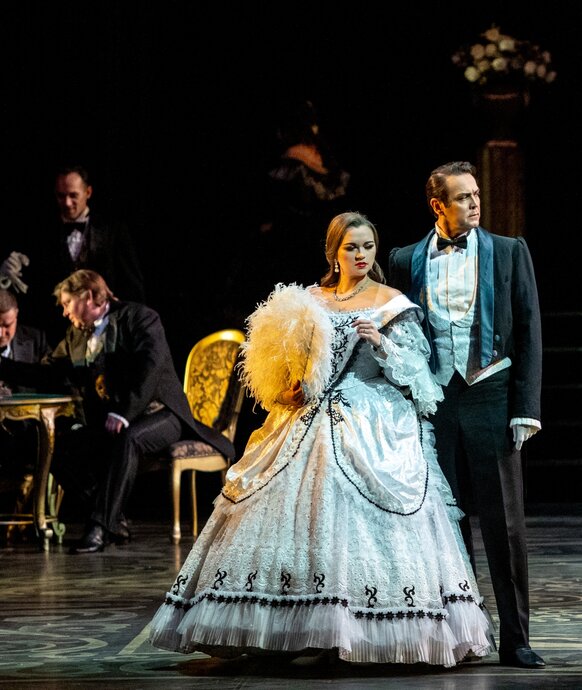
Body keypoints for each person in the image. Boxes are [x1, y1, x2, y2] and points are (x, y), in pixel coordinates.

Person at [148, 211, 492, 667]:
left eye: (368, 246)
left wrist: (382, 344)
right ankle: (291, 627)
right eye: (352, 247)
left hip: (370, 416)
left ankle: (356, 627)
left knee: (343, 479)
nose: (361, 255)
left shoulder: (390, 302)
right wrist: (288, 388)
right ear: (334, 253)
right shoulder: (309, 301)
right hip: (305, 417)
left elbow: (421, 382)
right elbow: (280, 367)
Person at [387, 161, 544, 670]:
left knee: (504, 523)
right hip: (435, 401)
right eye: (463, 197)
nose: (475, 203)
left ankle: (516, 639)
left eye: (476, 194)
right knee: (443, 524)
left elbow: (529, 331)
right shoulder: (404, 259)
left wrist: (526, 407)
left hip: (490, 393)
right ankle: (462, 635)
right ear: (438, 205)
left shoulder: (509, 250)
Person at [0, 269, 235, 554]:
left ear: (88, 296)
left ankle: (99, 528)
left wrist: (124, 413)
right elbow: (47, 373)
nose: (64, 312)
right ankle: (113, 519)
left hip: (162, 414)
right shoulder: (77, 335)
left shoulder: (140, 317)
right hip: (115, 421)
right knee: (56, 448)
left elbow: (151, 368)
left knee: (129, 438)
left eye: (67, 303)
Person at [5, 164, 147, 345]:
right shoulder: (41, 234)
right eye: (61, 196)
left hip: (105, 334)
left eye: (73, 195)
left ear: (88, 192)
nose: (67, 203)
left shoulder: (113, 231)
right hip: (56, 335)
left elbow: (133, 285)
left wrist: (132, 327)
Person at [0, 288, 52, 522]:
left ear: (17, 315)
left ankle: (34, 521)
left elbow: (52, 379)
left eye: (7, 325)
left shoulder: (35, 340)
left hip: (27, 434)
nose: (1, 333)